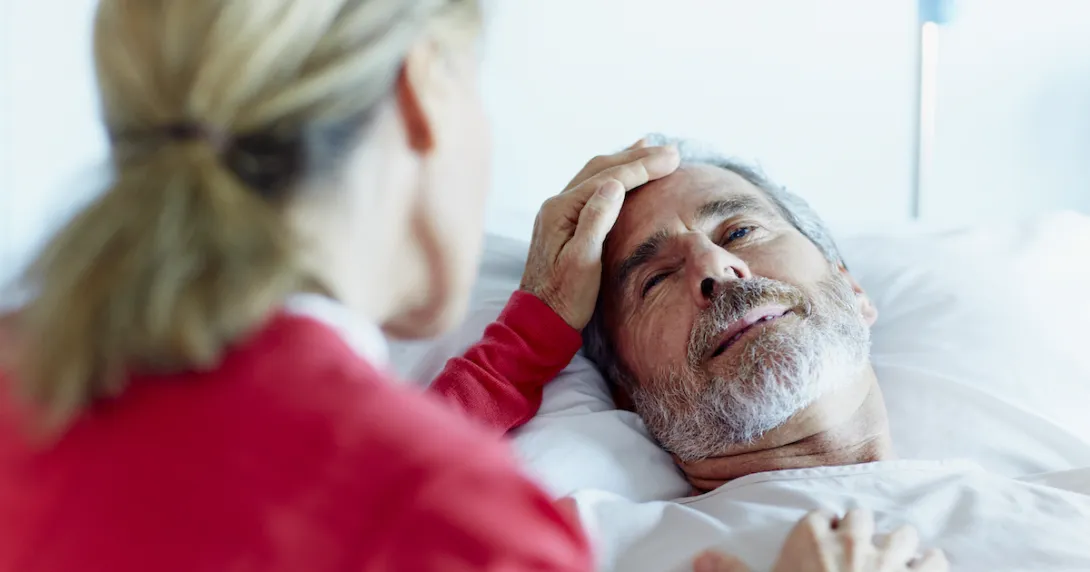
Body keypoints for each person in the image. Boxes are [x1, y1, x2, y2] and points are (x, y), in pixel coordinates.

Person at [0, 1, 936, 571]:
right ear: (426, 92)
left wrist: (524, 337)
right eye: (649, 279)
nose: (716, 270)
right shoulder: (468, 522)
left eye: (741, 229)